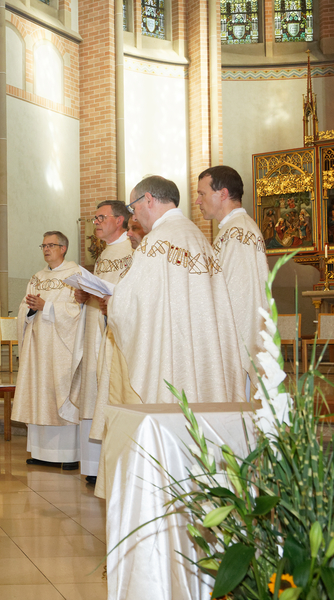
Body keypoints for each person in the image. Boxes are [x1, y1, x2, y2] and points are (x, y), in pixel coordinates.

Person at [101, 177, 245, 488]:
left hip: (171, 359)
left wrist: (113, 301)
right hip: (202, 354)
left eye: (134, 207)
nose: (134, 216)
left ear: (148, 199)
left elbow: (131, 305)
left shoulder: (156, 243)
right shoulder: (199, 238)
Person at [69, 202, 133, 483]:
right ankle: (95, 467)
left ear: (120, 220)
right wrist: (82, 296)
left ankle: (113, 466)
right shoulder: (105, 254)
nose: (95, 222)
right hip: (98, 329)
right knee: (96, 392)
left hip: (118, 333)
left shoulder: (133, 249)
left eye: (101, 217)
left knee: (112, 390)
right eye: (94, 218)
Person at [11, 231, 83, 469]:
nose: (46, 249)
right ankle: (41, 452)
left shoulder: (76, 275)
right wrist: (31, 311)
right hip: (37, 347)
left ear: (64, 248)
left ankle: (66, 454)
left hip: (61, 348)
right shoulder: (36, 277)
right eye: (43, 245)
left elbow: (78, 311)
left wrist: (47, 306)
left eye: (51, 245)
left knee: (58, 392)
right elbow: (24, 307)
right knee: (37, 394)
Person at [195, 165, 269, 386]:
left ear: (223, 194)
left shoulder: (238, 233)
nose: (198, 201)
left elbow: (238, 300)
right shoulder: (233, 229)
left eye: (202, 193)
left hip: (236, 348)